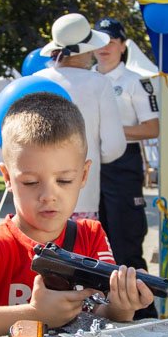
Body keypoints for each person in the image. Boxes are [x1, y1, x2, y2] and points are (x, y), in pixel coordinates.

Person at [0, 93, 152, 337]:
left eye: (64, 180)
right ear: (7, 177)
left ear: (84, 175)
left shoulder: (91, 235)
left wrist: (122, 306)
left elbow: (104, 317)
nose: (48, 196)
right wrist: (33, 314)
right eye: (30, 182)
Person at [34, 13, 126, 220]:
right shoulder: (99, 83)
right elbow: (114, 146)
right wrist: (92, 158)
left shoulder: (36, 80)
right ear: (89, 49)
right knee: (78, 240)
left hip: (36, 196)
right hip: (81, 193)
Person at [93, 17, 159, 271]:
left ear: (123, 46)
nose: (105, 47)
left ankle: (138, 297)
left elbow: (152, 128)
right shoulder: (84, 78)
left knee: (125, 243)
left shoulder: (136, 81)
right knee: (92, 240)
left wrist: (111, 131)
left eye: (112, 41)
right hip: (88, 163)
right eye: (99, 41)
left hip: (122, 163)